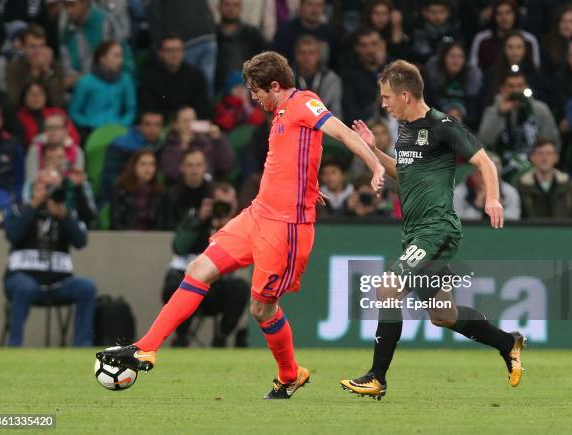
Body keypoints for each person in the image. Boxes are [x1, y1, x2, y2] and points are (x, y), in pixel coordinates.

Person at [97, 51, 385, 399]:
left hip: (285, 227)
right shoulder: (280, 113)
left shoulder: (304, 103)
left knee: (262, 309)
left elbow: (340, 132)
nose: (253, 97)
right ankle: (146, 347)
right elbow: (296, 155)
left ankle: (289, 374)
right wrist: (308, 186)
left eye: (256, 90)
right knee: (199, 267)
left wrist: (375, 165)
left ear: (275, 85)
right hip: (257, 215)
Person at [340, 60, 525, 399]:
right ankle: (506, 342)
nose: (384, 104)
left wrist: (493, 199)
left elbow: (485, 161)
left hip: (437, 231)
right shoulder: (407, 131)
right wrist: (373, 149)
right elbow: (402, 172)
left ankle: (376, 377)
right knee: (443, 315)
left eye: (387, 97)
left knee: (387, 288)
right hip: (416, 234)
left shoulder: (442, 125)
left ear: (406, 95)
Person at [3, 168, 97, 346]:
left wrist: (64, 216)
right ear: (35, 186)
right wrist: (33, 206)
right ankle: (14, 345)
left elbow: (81, 242)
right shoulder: (19, 209)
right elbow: (12, 235)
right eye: (45, 185)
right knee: (24, 287)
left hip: (58, 282)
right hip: (21, 279)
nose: (49, 190)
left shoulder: (66, 213)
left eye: (53, 186)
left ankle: (83, 345)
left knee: (86, 287)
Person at [162, 182, 250, 348]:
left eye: (227, 204)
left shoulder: (238, 224)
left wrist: (225, 226)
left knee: (240, 288)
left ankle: (221, 337)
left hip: (217, 287)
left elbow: (243, 259)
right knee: (174, 286)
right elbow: (178, 247)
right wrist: (198, 221)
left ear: (235, 205)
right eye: (218, 203)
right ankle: (181, 337)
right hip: (189, 279)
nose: (221, 208)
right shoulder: (195, 217)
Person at [478, 71, 560, 180]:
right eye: (511, 86)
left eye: (520, 86)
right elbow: (484, 140)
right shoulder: (493, 111)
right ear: (503, 89)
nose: (516, 90)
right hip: (501, 166)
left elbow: (552, 140)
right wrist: (499, 114)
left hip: (534, 164)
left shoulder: (540, 110)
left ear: (526, 87)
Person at [146, 0, 217, 95]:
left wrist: (159, 44)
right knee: (206, 85)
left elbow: (153, 10)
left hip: (183, 41)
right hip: (207, 34)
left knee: (183, 88)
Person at [59, 0, 133, 88]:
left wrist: (85, 78)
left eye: (72, 5)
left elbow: (116, 62)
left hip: (112, 83)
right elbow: (67, 66)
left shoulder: (105, 22)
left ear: (85, 2)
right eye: (65, 6)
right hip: (81, 87)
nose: (69, 11)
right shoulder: (65, 30)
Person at [138, 34, 211, 120]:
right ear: (160, 53)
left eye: (178, 50)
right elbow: (148, 107)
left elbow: (202, 107)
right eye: (169, 50)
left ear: (183, 52)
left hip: (189, 123)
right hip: (160, 125)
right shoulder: (149, 76)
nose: (174, 54)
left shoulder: (196, 75)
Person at [97, 111, 164, 206]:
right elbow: (110, 180)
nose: (152, 129)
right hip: (118, 199)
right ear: (139, 126)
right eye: (147, 124)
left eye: (157, 125)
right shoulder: (120, 146)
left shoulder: (159, 145)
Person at [68, 41, 136, 134]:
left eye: (121, 56)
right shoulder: (85, 82)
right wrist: (89, 124)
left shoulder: (125, 80)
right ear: (102, 59)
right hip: (90, 130)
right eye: (116, 56)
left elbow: (131, 109)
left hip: (118, 129)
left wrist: (122, 124)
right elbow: (74, 112)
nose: (121, 60)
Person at [159, 106, 235, 185]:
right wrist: (183, 146)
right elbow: (171, 173)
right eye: (185, 121)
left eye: (193, 120)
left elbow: (226, 164)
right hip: (181, 190)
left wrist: (218, 139)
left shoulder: (206, 142)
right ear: (175, 125)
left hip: (208, 188)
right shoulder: (170, 146)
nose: (190, 125)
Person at [515, 140, 572, 219]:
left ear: (556, 158)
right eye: (540, 153)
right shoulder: (520, 187)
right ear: (532, 158)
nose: (544, 158)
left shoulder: (569, 188)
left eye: (549, 153)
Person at [469, 0, 540, 72]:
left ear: (515, 14)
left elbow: (535, 69)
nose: (504, 18)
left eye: (508, 12)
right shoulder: (481, 39)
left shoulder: (529, 40)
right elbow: (473, 70)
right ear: (494, 16)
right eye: (499, 14)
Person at [5, 25, 66, 109]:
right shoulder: (13, 68)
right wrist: (35, 71)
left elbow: (58, 101)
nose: (39, 51)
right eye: (33, 47)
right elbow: (14, 101)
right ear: (23, 47)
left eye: (42, 46)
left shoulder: (55, 67)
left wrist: (47, 72)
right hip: (23, 115)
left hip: (50, 114)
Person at [424, 40, 482, 126]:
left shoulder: (471, 82)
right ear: (443, 58)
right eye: (452, 56)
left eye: (460, 57)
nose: (456, 60)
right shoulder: (433, 82)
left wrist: (460, 115)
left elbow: (474, 115)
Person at [215, 0, 266, 95]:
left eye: (236, 5)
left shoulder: (253, 35)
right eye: (227, 4)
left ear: (241, 8)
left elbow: (263, 65)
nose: (231, 9)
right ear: (219, 7)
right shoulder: (212, 36)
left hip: (249, 91)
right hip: (218, 92)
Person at [110, 149, 165, 231]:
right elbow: (116, 221)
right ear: (134, 166)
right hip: (124, 237)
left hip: (154, 238)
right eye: (143, 164)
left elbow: (162, 222)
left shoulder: (161, 192)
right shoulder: (121, 189)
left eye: (152, 164)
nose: (148, 168)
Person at [341, 28, 388, 125]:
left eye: (374, 44)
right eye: (364, 46)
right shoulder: (349, 75)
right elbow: (351, 112)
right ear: (357, 49)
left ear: (382, 45)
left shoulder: (394, 68)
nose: (370, 50)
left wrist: (382, 67)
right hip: (365, 127)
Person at [454, 152, 520, 220]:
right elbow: (461, 225)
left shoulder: (509, 192)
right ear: (475, 175)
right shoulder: (459, 192)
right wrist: (478, 203)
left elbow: (513, 223)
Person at [25, 113, 84, 184]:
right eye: (49, 128)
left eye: (57, 127)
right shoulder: (35, 150)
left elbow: (78, 180)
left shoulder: (77, 151)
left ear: (65, 130)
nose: (53, 131)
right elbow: (31, 180)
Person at [16, 80, 79, 147]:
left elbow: (74, 138)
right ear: (24, 97)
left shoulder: (58, 113)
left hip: (64, 151)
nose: (36, 96)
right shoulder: (19, 117)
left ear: (46, 96)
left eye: (40, 93)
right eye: (31, 93)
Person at [293, 35, 343, 119]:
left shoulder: (332, 79)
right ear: (296, 56)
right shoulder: (288, 79)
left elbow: (335, 112)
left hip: (324, 126)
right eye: (302, 53)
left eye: (311, 52)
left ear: (318, 55)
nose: (306, 57)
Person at [0, 102, 24, 201]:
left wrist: (13, 198)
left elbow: (19, 179)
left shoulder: (13, 145)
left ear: (1, 121)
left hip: (8, 200)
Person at [411, 0, 463, 64]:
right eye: (433, 12)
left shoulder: (455, 30)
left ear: (448, 12)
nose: (437, 16)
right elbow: (422, 54)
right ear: (424, 12)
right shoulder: (418, 30)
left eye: (442, 11)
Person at [542, 5, 572, 75]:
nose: (567, 25)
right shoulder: (547, 44)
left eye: (571, 21)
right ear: (557, 23)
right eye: (563, 21)